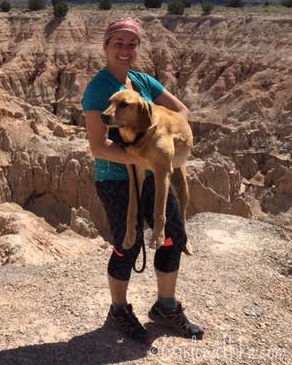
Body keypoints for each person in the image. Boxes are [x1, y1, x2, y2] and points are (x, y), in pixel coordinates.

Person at [82, 18, 204, 344]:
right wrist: (146, 155)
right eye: (117, 43)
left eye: (130, 44)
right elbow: (98, 147)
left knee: (172, 236)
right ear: (106, 47)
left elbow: (182, 111)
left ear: (137, 48)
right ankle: (118, 309)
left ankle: (165, 306)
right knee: (129, 243)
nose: (124, 50)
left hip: (151, 171)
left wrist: (165, 139)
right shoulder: (99, 89)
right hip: (115, 178)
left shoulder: (144, 83)